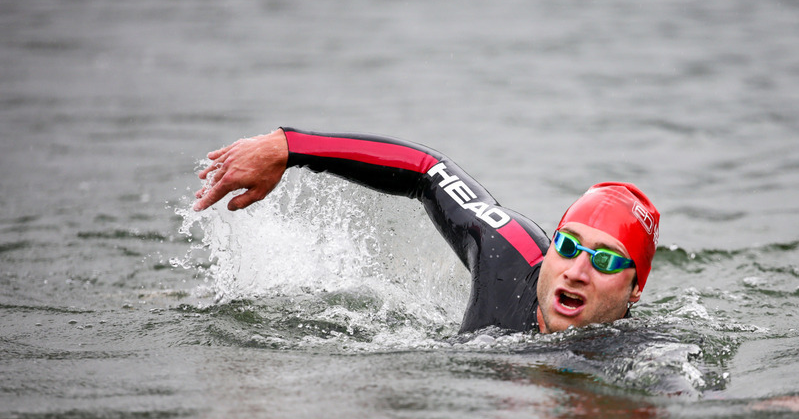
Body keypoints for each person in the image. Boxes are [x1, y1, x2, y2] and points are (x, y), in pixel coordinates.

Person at [194, 128, 660, 335]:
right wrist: (289, 146)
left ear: (634, 289)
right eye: (568, 244)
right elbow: (427, 170)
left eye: (603, 259)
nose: (576, 270)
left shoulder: (641, 355)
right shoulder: (509, 252)